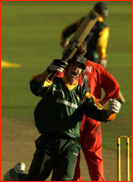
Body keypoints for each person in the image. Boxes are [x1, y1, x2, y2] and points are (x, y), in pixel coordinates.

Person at [3, 53, 121, 181]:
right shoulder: (54, 84)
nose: (76, 68)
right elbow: (36, 88)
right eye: (73, 65)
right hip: (49, 140)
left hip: (70, 144)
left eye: (79, 67)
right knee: (35, 178)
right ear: (67, 68)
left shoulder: (83, 95)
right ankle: (16, 175)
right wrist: (48, 70)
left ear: (81, 72)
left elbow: (100, 114)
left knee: (63, 179)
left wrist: (111, 111)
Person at [56, 40, 120, 181]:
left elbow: (52, 84)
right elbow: (114, 87)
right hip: (93, 117)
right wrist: (100, 104)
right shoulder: (96, 68)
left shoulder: (67, 68)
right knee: (94, 155)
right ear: (85, 53)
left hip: (71, 117)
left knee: (73, 154)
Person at [60, 1, 126, 104]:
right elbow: (100, 46)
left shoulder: (82, 21)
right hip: (92, 58)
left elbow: (66, 31)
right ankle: (102, 103)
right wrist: (102, 58)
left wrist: (65, 42)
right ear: (104, 13)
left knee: (71, 76)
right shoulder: (103, 27)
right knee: (99, 80)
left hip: (76, 56)